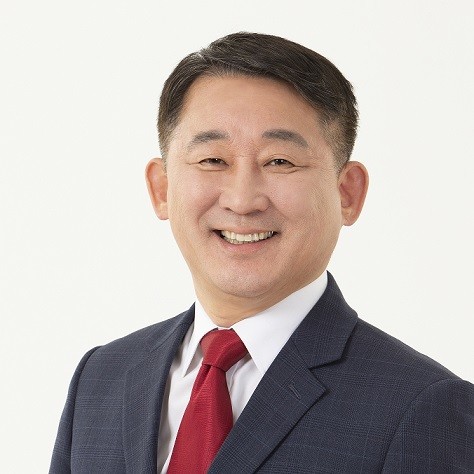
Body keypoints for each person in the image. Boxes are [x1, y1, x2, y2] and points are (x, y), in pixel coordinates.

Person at [50, 32, 473, 473]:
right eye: (213, 160)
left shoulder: (422, 408)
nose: (242, 200)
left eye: (279, 161)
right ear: (162, 188)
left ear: (347, 193)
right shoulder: (102, 379)